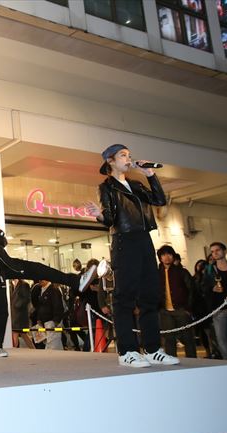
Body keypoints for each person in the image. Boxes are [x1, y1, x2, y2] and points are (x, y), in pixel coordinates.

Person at [85, 144, 179, 367]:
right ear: (110, 161)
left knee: (150, 296)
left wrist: (150, 175)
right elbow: (110, 219)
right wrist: (99, 215)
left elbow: (159, 200)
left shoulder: (136, 185)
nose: (128, 159)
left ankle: (152, 349)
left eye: (129, 155)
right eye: (123, 155)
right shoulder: (106, 186)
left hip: (144, 240)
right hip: (124, 241)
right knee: (124, 297)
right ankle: (127, 351)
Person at [0, 192, 81, 357]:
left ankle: (75, 280)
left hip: (5, 264)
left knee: (38, 268)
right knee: (1, 307)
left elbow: (2, 243)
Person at [156, 245, 197, 358]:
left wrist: (188, 308)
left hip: (181, 309)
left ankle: (193, 361)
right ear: (160, 258)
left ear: (173, 256)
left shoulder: (182, 272)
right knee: (169, 339)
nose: (167, 257)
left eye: (169, 254)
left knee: (188, 338)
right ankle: (171, 361)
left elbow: (192, 290)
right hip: (164, 311)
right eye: (163, 255)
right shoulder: (156, 274)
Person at [30, 280, 65, 350]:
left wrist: (56, 321)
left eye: (43, 279)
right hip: (45, 322)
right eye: (39, 279)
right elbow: (39, 307)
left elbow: (58, 306)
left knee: (52, 344)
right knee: (53, 343)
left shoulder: (54, 289)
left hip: (52, 321)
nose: (40, 280)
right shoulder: (41, 289)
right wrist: (39, 319)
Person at [10, 279, 35, 349]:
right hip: (14, 314)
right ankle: (33, 349)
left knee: (19, 333)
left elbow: (26, 298)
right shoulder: (11, 284)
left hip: (21, 315)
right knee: (21, 334)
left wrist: (17, 305)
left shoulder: (24, 285)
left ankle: (15, 349)